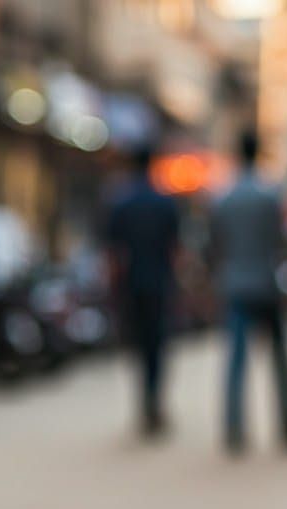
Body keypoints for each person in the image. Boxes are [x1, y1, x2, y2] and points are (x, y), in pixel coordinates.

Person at [210, 131, 287, 454]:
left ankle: (234, 428)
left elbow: (214, 245)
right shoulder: (270, 195)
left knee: (236, 361)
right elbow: (282, 242)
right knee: (280, 358)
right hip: (266, 284)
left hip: (235, 284)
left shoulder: (223, 196)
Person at [106, 144, 181, 437]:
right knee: (157, 346)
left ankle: (144, 404)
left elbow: (113, 254)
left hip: (132, 286)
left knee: (138, 347)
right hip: (160, 285)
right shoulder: (164, 203)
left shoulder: (121, 203)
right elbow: (176, 250)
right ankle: (154, 402)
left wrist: (113, 290)